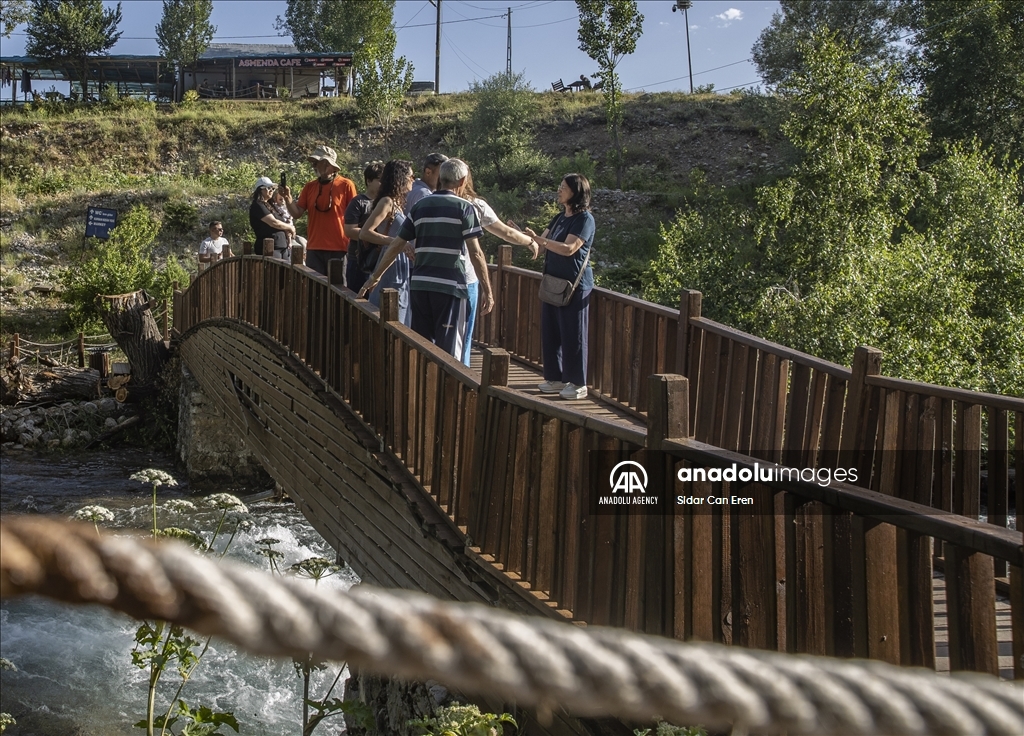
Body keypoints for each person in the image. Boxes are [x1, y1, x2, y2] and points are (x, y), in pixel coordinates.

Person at [360, 159, 493, 360]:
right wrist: (488, 291)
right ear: (463, 181)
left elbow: (397, 244)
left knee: (423, 348)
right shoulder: (465, 208)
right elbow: (475, 253)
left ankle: (422, 390)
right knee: (450, 355)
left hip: (420, 286)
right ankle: (446, 391)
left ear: (440, 178)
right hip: (450, 288)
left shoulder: (420, 206)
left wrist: (375, 277)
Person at [521, 174, 595, 400]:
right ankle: (555, 378)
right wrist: (522, 237)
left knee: (574, 334)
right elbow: (540, 247)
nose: (559, 191)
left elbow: (569, 248)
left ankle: (578, 383)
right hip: (553, 283)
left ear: (576, 192)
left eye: (563, 188)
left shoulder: (584, 219)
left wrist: (540, 240)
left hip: (574, 285)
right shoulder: (559, 218)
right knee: (551, 331)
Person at [457, 167, 538, 367]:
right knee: (463, 336)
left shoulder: (428, 202)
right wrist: (529, 241)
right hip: (464, 279)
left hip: (427, 279)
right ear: (465, 179)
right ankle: (461, 380)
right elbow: (506, 233)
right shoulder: (475, 206)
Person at [280, 145, 357, 277]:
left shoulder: (346, 185)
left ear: (328, 164)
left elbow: (355, 216)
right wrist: (287, 198)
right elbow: (297, 213)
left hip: (339, 248)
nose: (313, 165)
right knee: (314, 291)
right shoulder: (310, 186)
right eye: (313, 162)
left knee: (337, 291)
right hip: (314, 248)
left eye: (316, 162)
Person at [358, 160, 414, 327]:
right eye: (411, 176)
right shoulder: (387, 202)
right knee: (390, 313)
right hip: (390, 265)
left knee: (399, 313)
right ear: (401, 178)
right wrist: (397, 243)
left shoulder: (396, 203)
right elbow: (365, 233)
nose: (413, 179)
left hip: (398, 264)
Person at [343, 161, 385, 293]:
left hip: (380, 260)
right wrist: (374, 236)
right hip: (359, 260)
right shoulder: (358, 202)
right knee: (356, 299)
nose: (382, 184)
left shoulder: (387, 202)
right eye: (379, 180)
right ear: (368, 181)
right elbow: (349, 230)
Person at [249, 176, 295, 259]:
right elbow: (273, 223)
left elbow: (281, 223)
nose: (271, 190)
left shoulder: (272, 206)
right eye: (268, 188)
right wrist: (290, 227)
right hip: (270, 249)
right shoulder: (257, 206)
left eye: (273, 188)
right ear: (260, 190)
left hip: (282, 247)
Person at [268, 187, 307, 259]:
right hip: (285, 232)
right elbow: (277, 221)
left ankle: (304, 256)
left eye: (283, 199)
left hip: (291, 230)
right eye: (280, 199)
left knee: (303, 242)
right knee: (295, 246)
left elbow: (294, 214)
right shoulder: (274, 208)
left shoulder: (287, 207)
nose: (282, 200)